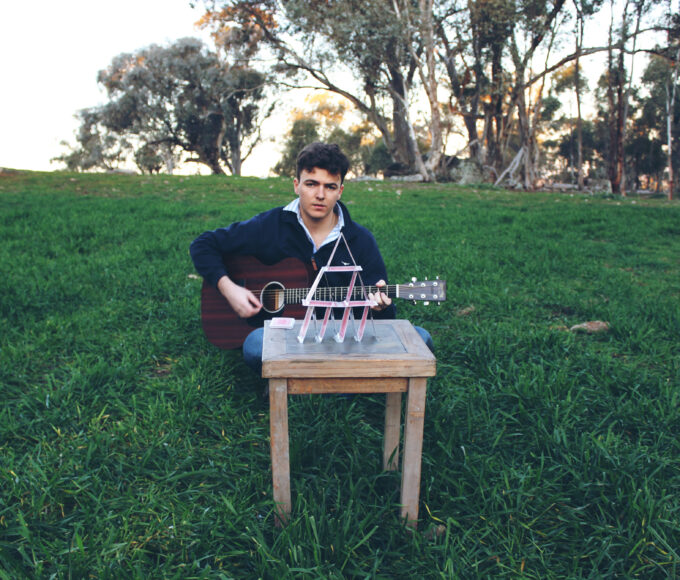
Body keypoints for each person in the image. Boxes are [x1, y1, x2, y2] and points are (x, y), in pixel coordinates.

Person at [190, 142, 432, 375]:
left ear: (340, 191)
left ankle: (304, 377)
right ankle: (340, 380)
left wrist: (380, 307)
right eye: (311, 184)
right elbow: (203, 244)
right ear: (297, 185)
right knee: (255, 344)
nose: (320, 195)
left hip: (340, 336)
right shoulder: (271, 225)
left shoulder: (360, 240)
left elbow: (382, 319)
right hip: (285, 335)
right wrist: (229, 289)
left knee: (420, 338)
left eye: (330, 187)